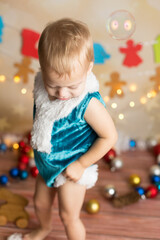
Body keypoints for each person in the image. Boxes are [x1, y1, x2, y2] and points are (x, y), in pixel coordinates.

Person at [8, 18, 117, 240]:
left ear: (88, 69)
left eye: (72, 86)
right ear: (42, 68)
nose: (62, 94)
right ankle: (44, 228)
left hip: (72, 166)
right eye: (54, 85)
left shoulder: (88, 104)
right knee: (40, 203)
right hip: (47, 164)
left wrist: (81, 164)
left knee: (68, 215)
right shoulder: (41, 88)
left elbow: (109, 136)